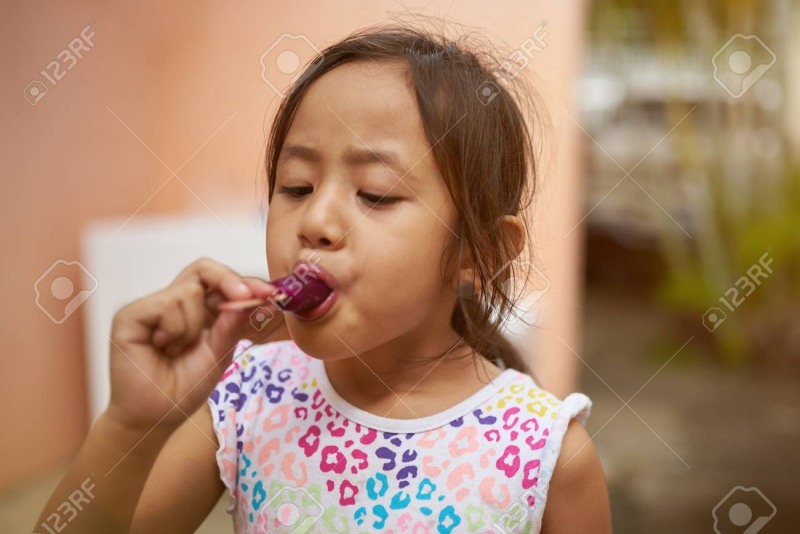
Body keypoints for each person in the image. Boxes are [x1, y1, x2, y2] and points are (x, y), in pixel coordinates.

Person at [35, 22, 611, 534]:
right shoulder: (250, 397)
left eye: (375, 195)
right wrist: (128, 424)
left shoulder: (545, 455)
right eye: (296, 188)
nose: (314, 222)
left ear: (479, 250)